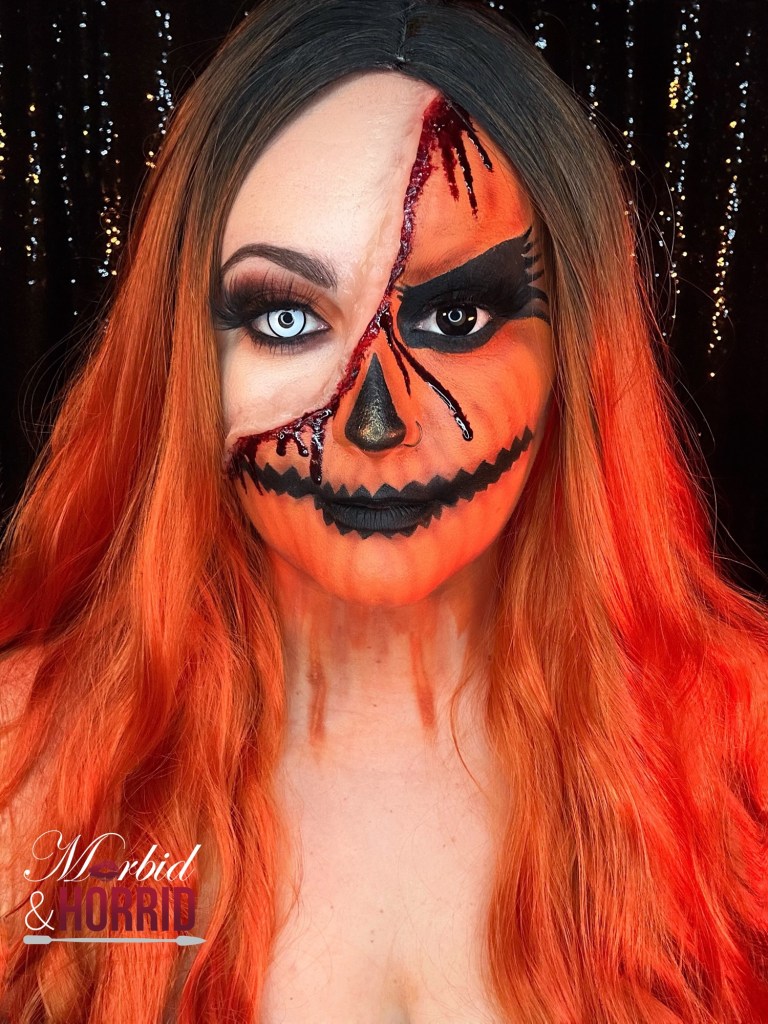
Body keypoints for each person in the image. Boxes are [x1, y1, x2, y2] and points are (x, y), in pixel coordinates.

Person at [1, 0, 767, 1021]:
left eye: (456, 315)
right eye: (286, 317)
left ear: (576, 351)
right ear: (185, 358)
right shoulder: (35, 762)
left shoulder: (740, 756)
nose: (375, 421)